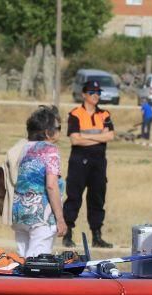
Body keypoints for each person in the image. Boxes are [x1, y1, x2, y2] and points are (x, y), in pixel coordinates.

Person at [11, 105, 68, 295]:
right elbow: (51, 185)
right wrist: (61, 219)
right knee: (38, 261)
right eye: (58, 127)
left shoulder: (25, 148)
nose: (60, 132)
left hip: (20, 210)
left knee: (25, 257)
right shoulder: (50, 150)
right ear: (48, 132)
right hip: (40, 213)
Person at [63, 80, 115, 249]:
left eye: (98, 92)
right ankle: (68, 234)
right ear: (84, 94)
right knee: (74, 197)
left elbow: (110, 136)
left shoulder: (104, 114)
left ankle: (97, 236)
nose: (96, 95)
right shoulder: (75, 114)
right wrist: (98, 137)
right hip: (79, 160)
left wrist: (85, 138)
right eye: (92, 92)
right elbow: (74, 139)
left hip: (99, 162)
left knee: (97, 198)